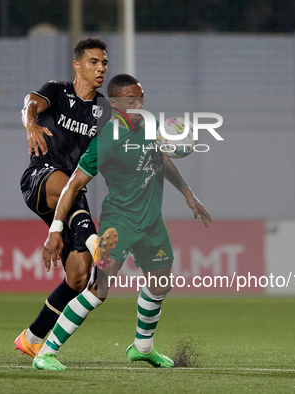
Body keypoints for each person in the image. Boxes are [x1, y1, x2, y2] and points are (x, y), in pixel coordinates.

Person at [32, 74, 212, 370]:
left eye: (141, 98)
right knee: (100, 287)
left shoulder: (150, 124)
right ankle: (47, 351)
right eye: (132, 101)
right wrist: (56, 228)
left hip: (152, 222)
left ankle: (142, 347)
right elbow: (73, 185)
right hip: (120, 222)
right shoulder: (107, 141)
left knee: (161, 280)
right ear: (114, 104)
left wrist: (189, 195)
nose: (139, 105)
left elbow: (163, 159)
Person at [15, 38, 116, 358]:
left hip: (72, 194)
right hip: (42, 179)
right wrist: (30, 122)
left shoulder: (104, 111)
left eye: (104, 63)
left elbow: (103, 153)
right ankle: (94, 241)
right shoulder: (57, 91)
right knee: (66, 185)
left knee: (79, 276)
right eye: (93, 62)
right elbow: (30, 102)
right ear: (77, 65)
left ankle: (31, 338)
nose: (100, 68)